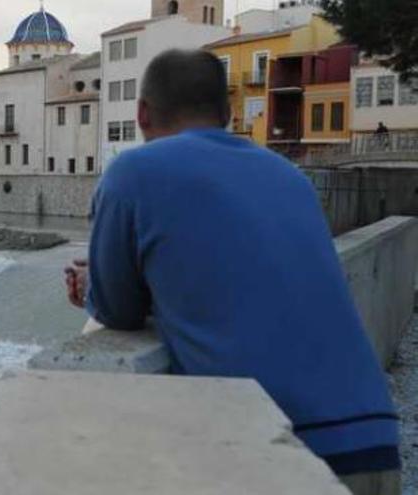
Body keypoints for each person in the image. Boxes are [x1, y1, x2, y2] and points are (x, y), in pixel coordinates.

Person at [65, 49, 400, 495]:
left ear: (142, 113)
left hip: (281, 453)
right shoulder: (289, 176)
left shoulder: (132, 172)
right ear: (226, 113)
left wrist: (92, 286)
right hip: (375, 444)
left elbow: (117, 311)